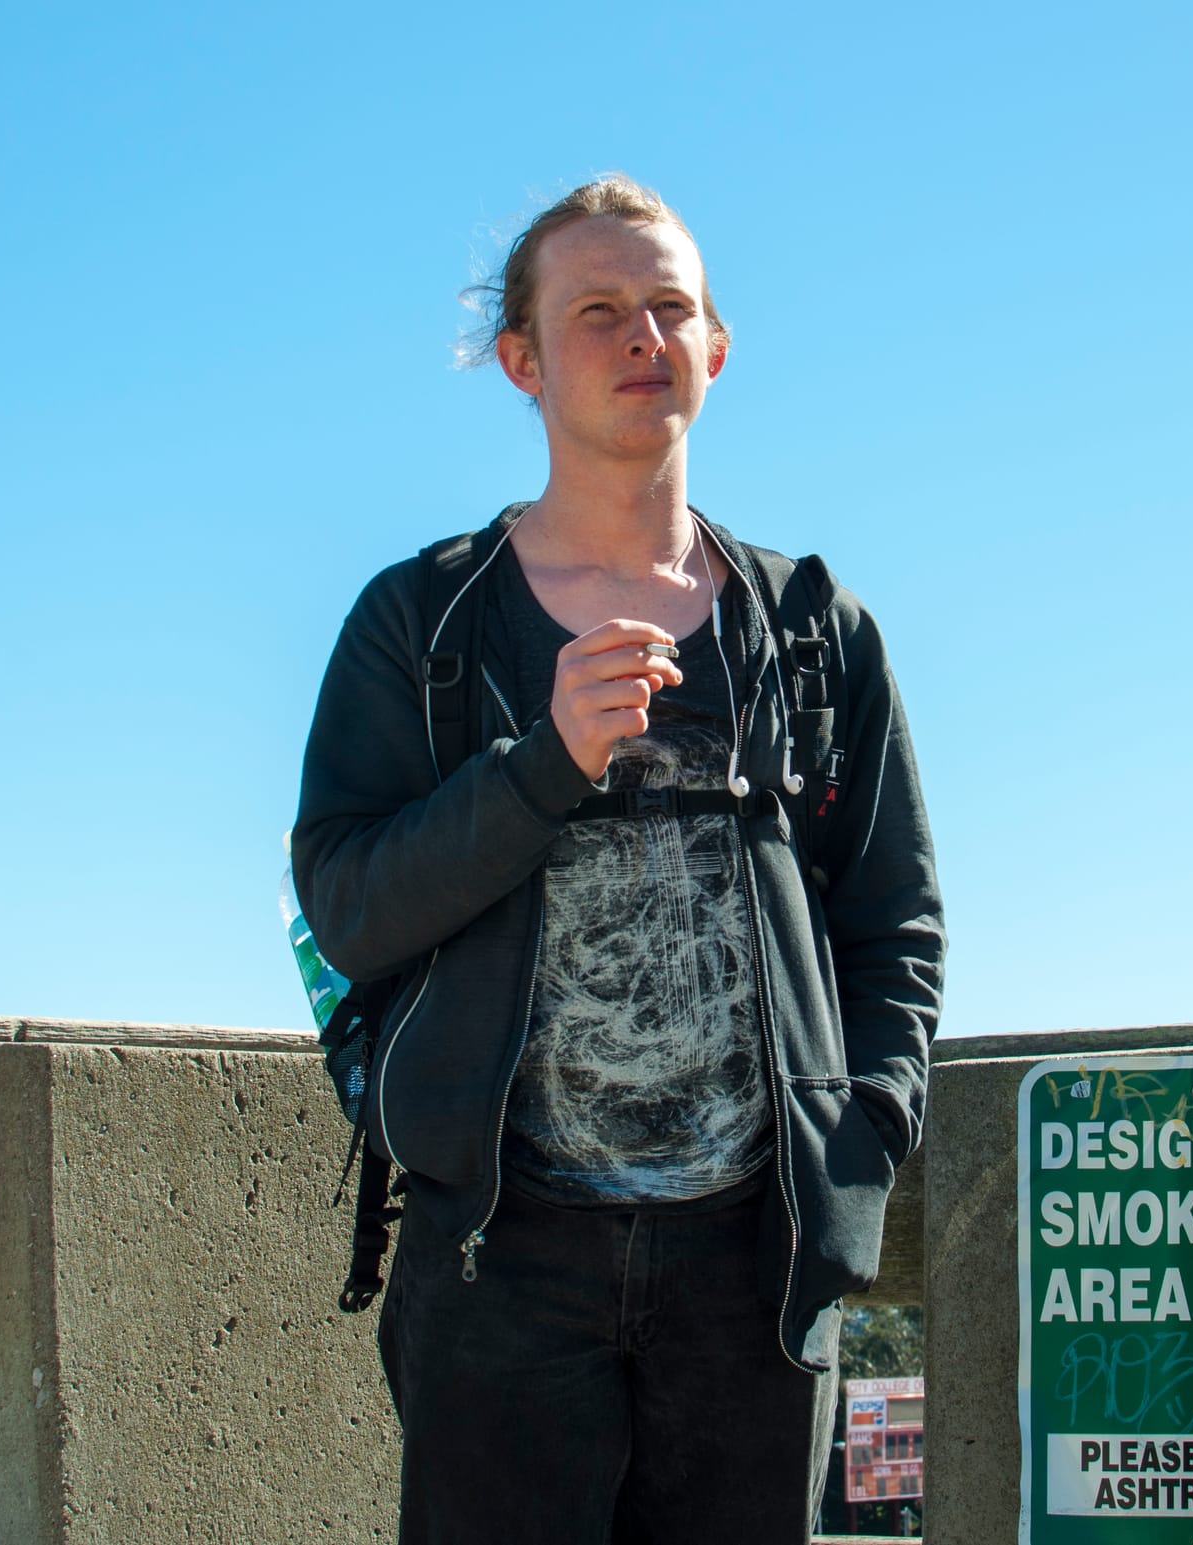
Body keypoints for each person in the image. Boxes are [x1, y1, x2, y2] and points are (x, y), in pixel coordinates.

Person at [291, 175, 946, 1543]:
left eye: (670, 307)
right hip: (500, 1265)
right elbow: (349, 906)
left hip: (749, 1266)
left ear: (716, 348)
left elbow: (894, 922)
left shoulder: (815, 630)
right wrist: (541, 768)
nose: (642, 334)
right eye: (597, 310)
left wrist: (860, 1136)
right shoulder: (427, 625)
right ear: (521, 360)